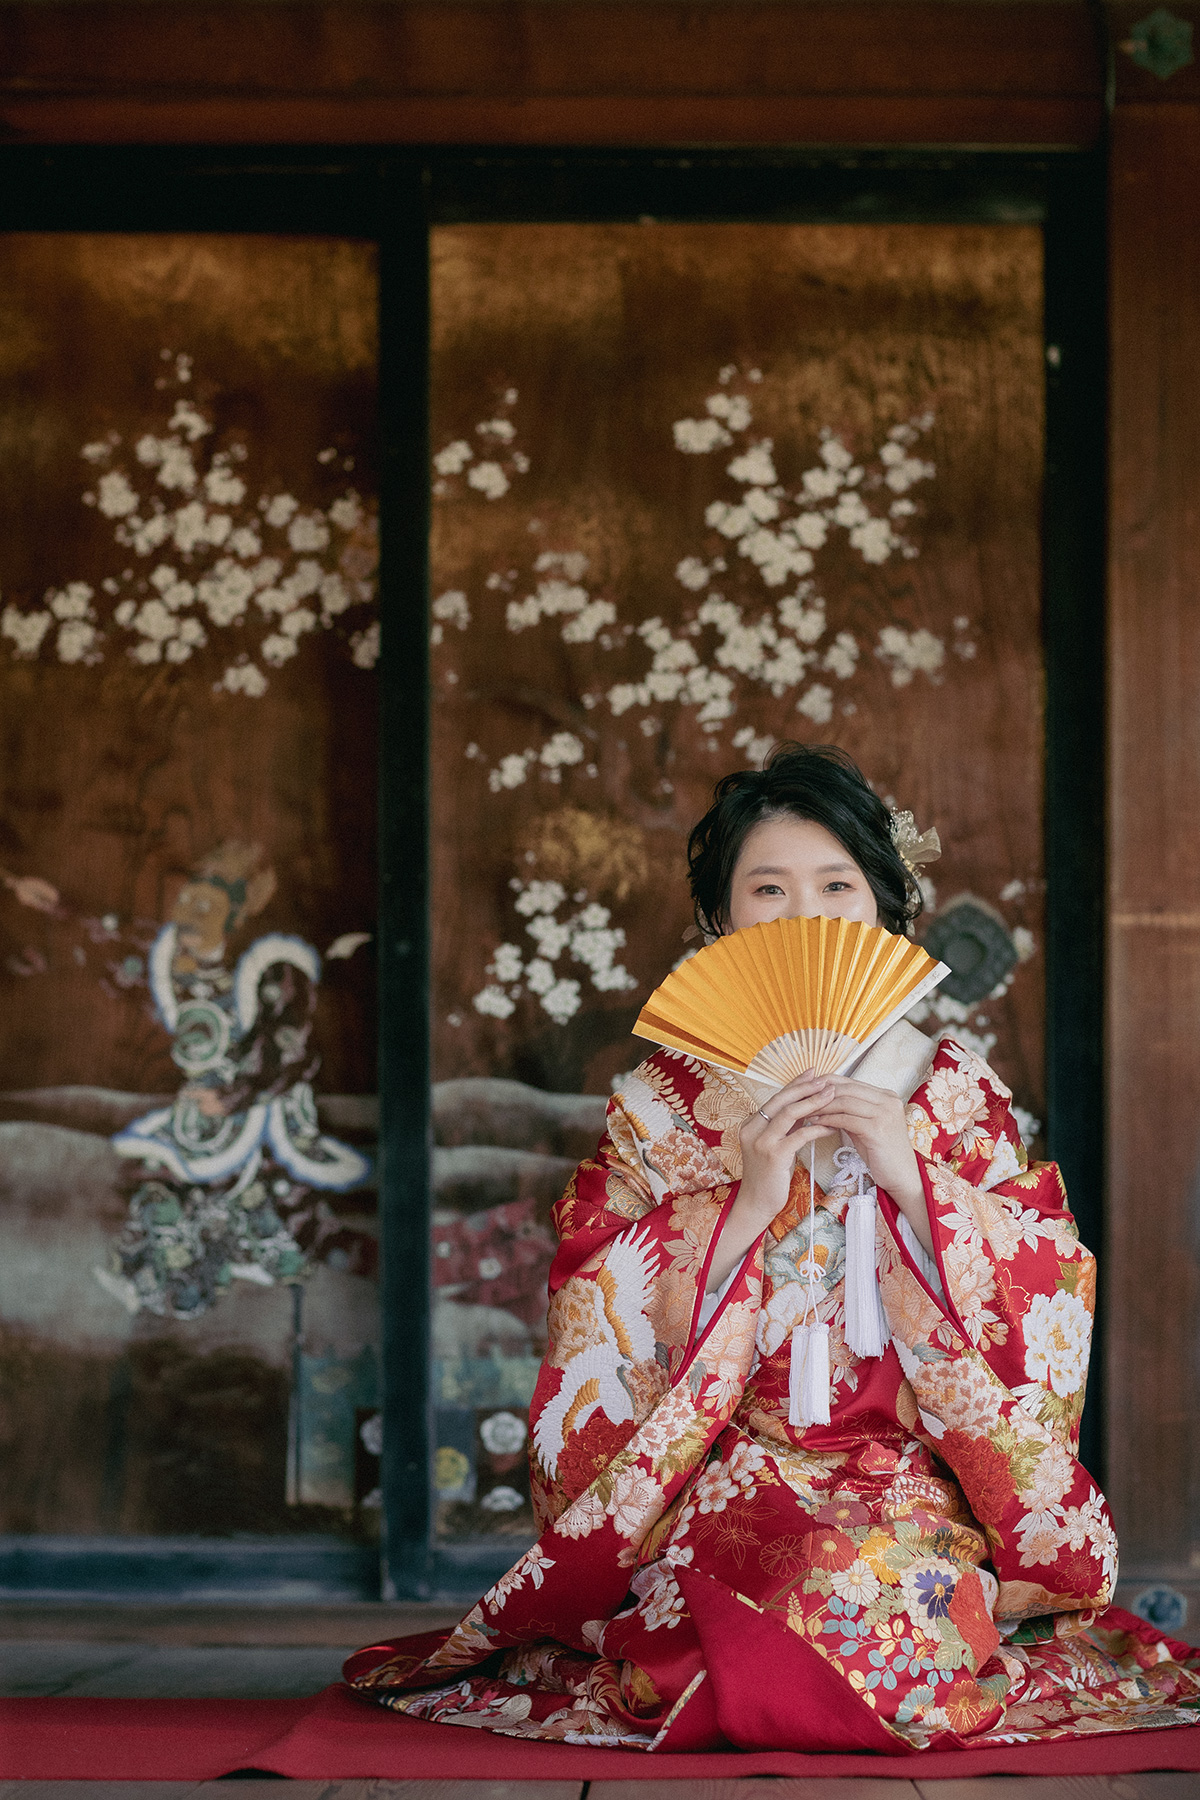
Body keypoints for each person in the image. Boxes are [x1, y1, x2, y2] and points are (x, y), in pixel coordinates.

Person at [345, 744, 1200, 1750]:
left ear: (885, 908)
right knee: (716, 1644)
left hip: (908, 1470)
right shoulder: (662, 1105)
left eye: (837, 885)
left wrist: (912, 1181)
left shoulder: (953, 1090)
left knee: (886, 1640)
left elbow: (1046, 1280)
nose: (806, 914)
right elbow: (596, 1293)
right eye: (769, 888)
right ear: (721, 920)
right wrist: (745, 1202)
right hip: (722, 1464)